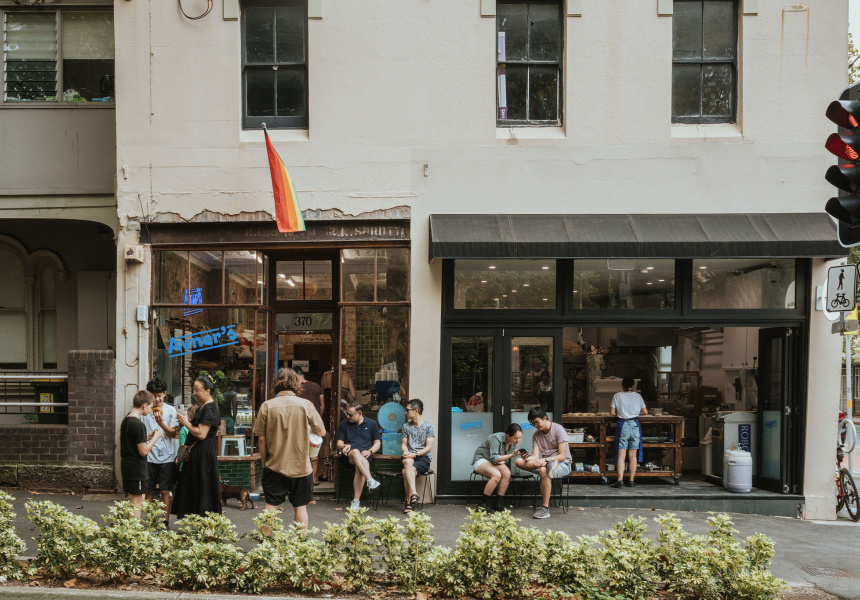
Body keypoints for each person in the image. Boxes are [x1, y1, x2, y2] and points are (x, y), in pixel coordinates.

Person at [254, 368, 326, 528]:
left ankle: (264, 544)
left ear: (276, 384)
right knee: (300, 506)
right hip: (301, 466)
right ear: (296, 384)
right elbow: (322, 431)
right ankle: (300, 545)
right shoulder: (306, 405)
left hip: (274, 465)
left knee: (270, 506)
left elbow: (261, 439)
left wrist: (265, 463)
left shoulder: (267, 406)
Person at [171, 375, 222, 519]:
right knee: (196, 485)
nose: (194, 393)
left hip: (203, 455)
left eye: (197, 390)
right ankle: (196, 521)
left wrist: (185, 423)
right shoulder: (204, 407)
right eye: (194, 390)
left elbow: (201, 434)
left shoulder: (209, 408)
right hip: (198, 454)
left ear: (208, 390)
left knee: (201, 485)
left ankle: (202, 521)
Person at [514, 407, 572, 519]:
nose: (535, 426)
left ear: (545, 418)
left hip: (563, 464)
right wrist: (526, 458)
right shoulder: (536, 435)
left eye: (537, 422)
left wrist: (545, 460)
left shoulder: (558, 429)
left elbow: (562, 456)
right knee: (518, 461)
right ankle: (548, 466)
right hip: (544, 463)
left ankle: (545, 508)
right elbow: (535, 456)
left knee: (543, 470)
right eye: (532, 424)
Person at [141, 378, 178, 528]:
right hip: (148, 457)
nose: (156, 399)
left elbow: (172, 434)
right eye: (153, 396)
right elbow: (139, 434)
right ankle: (150, 521)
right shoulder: (145, 410)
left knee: (165, 491)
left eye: (159, 396)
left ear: (164, 394)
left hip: (167, 457)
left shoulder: (170, 410)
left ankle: (164, 522)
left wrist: (161, 423)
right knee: (149, 491)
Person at [120, 390, 162, 517]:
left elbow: (132, 441)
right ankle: (134, 533)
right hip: (136, 468)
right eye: (150, 406)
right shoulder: (138, 424)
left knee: (136, 501)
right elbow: (143, 451)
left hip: (128, 465)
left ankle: (131, 530)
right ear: (144, 405)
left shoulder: (126, 420)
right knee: (137, 503)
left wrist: (146, 437)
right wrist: (156, 438)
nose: (150, 410)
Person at [336, 401, 382, 510]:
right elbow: (338, 444)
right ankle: (370, 479)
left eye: (350, 415)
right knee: (356, 451)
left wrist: (370, 451)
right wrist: (345, 446)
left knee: (359, 466)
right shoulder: (344, 424)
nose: (348, 416)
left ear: (360, 413)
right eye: (347, 414)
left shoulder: (371, 424)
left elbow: (377, 443)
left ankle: (356, 501)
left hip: (365, 455)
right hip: (349, 456)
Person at [471, 423, 522, 513]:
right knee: (496, 475)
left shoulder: (512, 443)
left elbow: (502, 459)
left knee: (507, 474)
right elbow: (494, 457)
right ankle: (482, 505)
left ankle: (497, 504)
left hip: (494, 462)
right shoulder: (496, 438)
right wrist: (511, 455)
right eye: (515, 438)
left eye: (520, 437)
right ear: (508, 435)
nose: (518, 440)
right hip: (481, 459)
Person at [610, 376, 647, 488]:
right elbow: (645, 412)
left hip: (623, 425)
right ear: (633, 386)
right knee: (633, 456)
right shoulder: (638, 396)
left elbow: (612, 413)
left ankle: (620, 480)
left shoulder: (617, 396)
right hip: (635, 425)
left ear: (622, 386)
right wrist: (634, 413)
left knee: (621, 455)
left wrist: (623, 413)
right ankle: (631, 480)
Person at [401, 398, 435, 514]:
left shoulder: (428, 426)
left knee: (405, 471)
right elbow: (404, 445)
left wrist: (414, 454)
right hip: (409, 456)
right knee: (407, 462)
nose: (406, 412)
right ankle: (414, 494)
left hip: (423, 457)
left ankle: (409, 502)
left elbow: (428, 447)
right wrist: (406, 452)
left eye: (407, 410)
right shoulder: (406, 426)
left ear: (415, 410)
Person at [294, 367, 326, 485]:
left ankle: (300, 479)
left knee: (299, 452)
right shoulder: (316, 386)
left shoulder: (294, 388)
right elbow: (322, 404)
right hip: (314, 425)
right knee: (314, 453)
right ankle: (313, 478)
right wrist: (318, 418)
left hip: (298, 425)